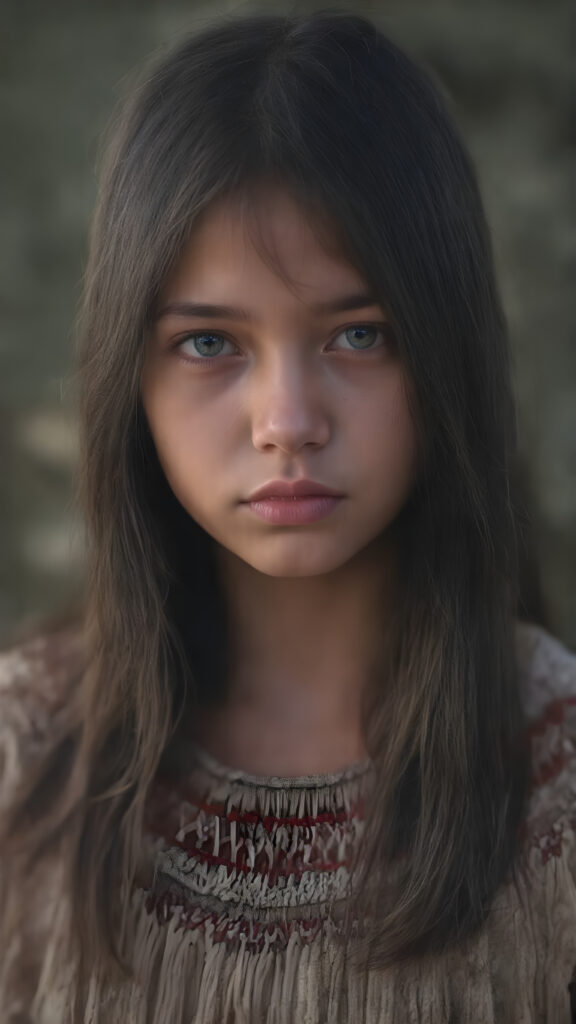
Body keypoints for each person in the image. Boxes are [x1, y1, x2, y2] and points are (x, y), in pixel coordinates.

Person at [0, 10, 575, 1023]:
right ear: (125, 374)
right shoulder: (23, 756)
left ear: (447, 351)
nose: (289, 423)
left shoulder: (557, 792)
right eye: (211, 345)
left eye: (359, 333)